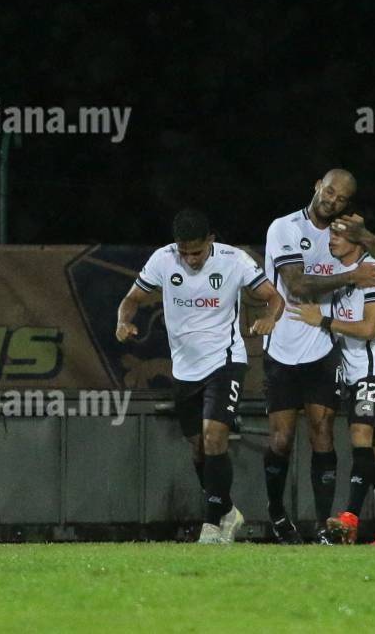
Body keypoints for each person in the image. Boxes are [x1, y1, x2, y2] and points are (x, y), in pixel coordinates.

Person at [115, 207, 286, 544]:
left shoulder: (234, 260)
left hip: (225, 360)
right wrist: (122, 321)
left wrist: (270, 318)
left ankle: (210, 525)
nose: (191, 259)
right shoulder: (163, 260)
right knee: (198, 450)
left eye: (197, 252)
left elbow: (273, 297)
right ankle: (226, 511)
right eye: (185, 252)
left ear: (211, 240)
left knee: (213, 436)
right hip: (185, 369)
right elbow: (132, 299)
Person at [260, 170, 375, 543]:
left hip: (325, 351)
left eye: (341, 198)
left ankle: (331, 524)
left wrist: (366, 237)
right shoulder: (285, 228)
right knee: (281, 440)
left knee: (327, 433)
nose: (332, 200)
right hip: (283, 347)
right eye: (329, 191)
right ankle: (277, 515)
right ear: (316, 186)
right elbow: (296, 284)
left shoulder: (345, 235)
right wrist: (351, 278)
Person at [287, 224, 375, 545]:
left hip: (374, 367)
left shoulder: (371, 270)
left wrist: (324, 320)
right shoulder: (339, 274)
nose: (331, 241)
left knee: (360, 435)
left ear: (356, 240)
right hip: (352, 372)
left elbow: (370, 328)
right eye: (330, 236)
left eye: (338, 236)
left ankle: (349, 518)